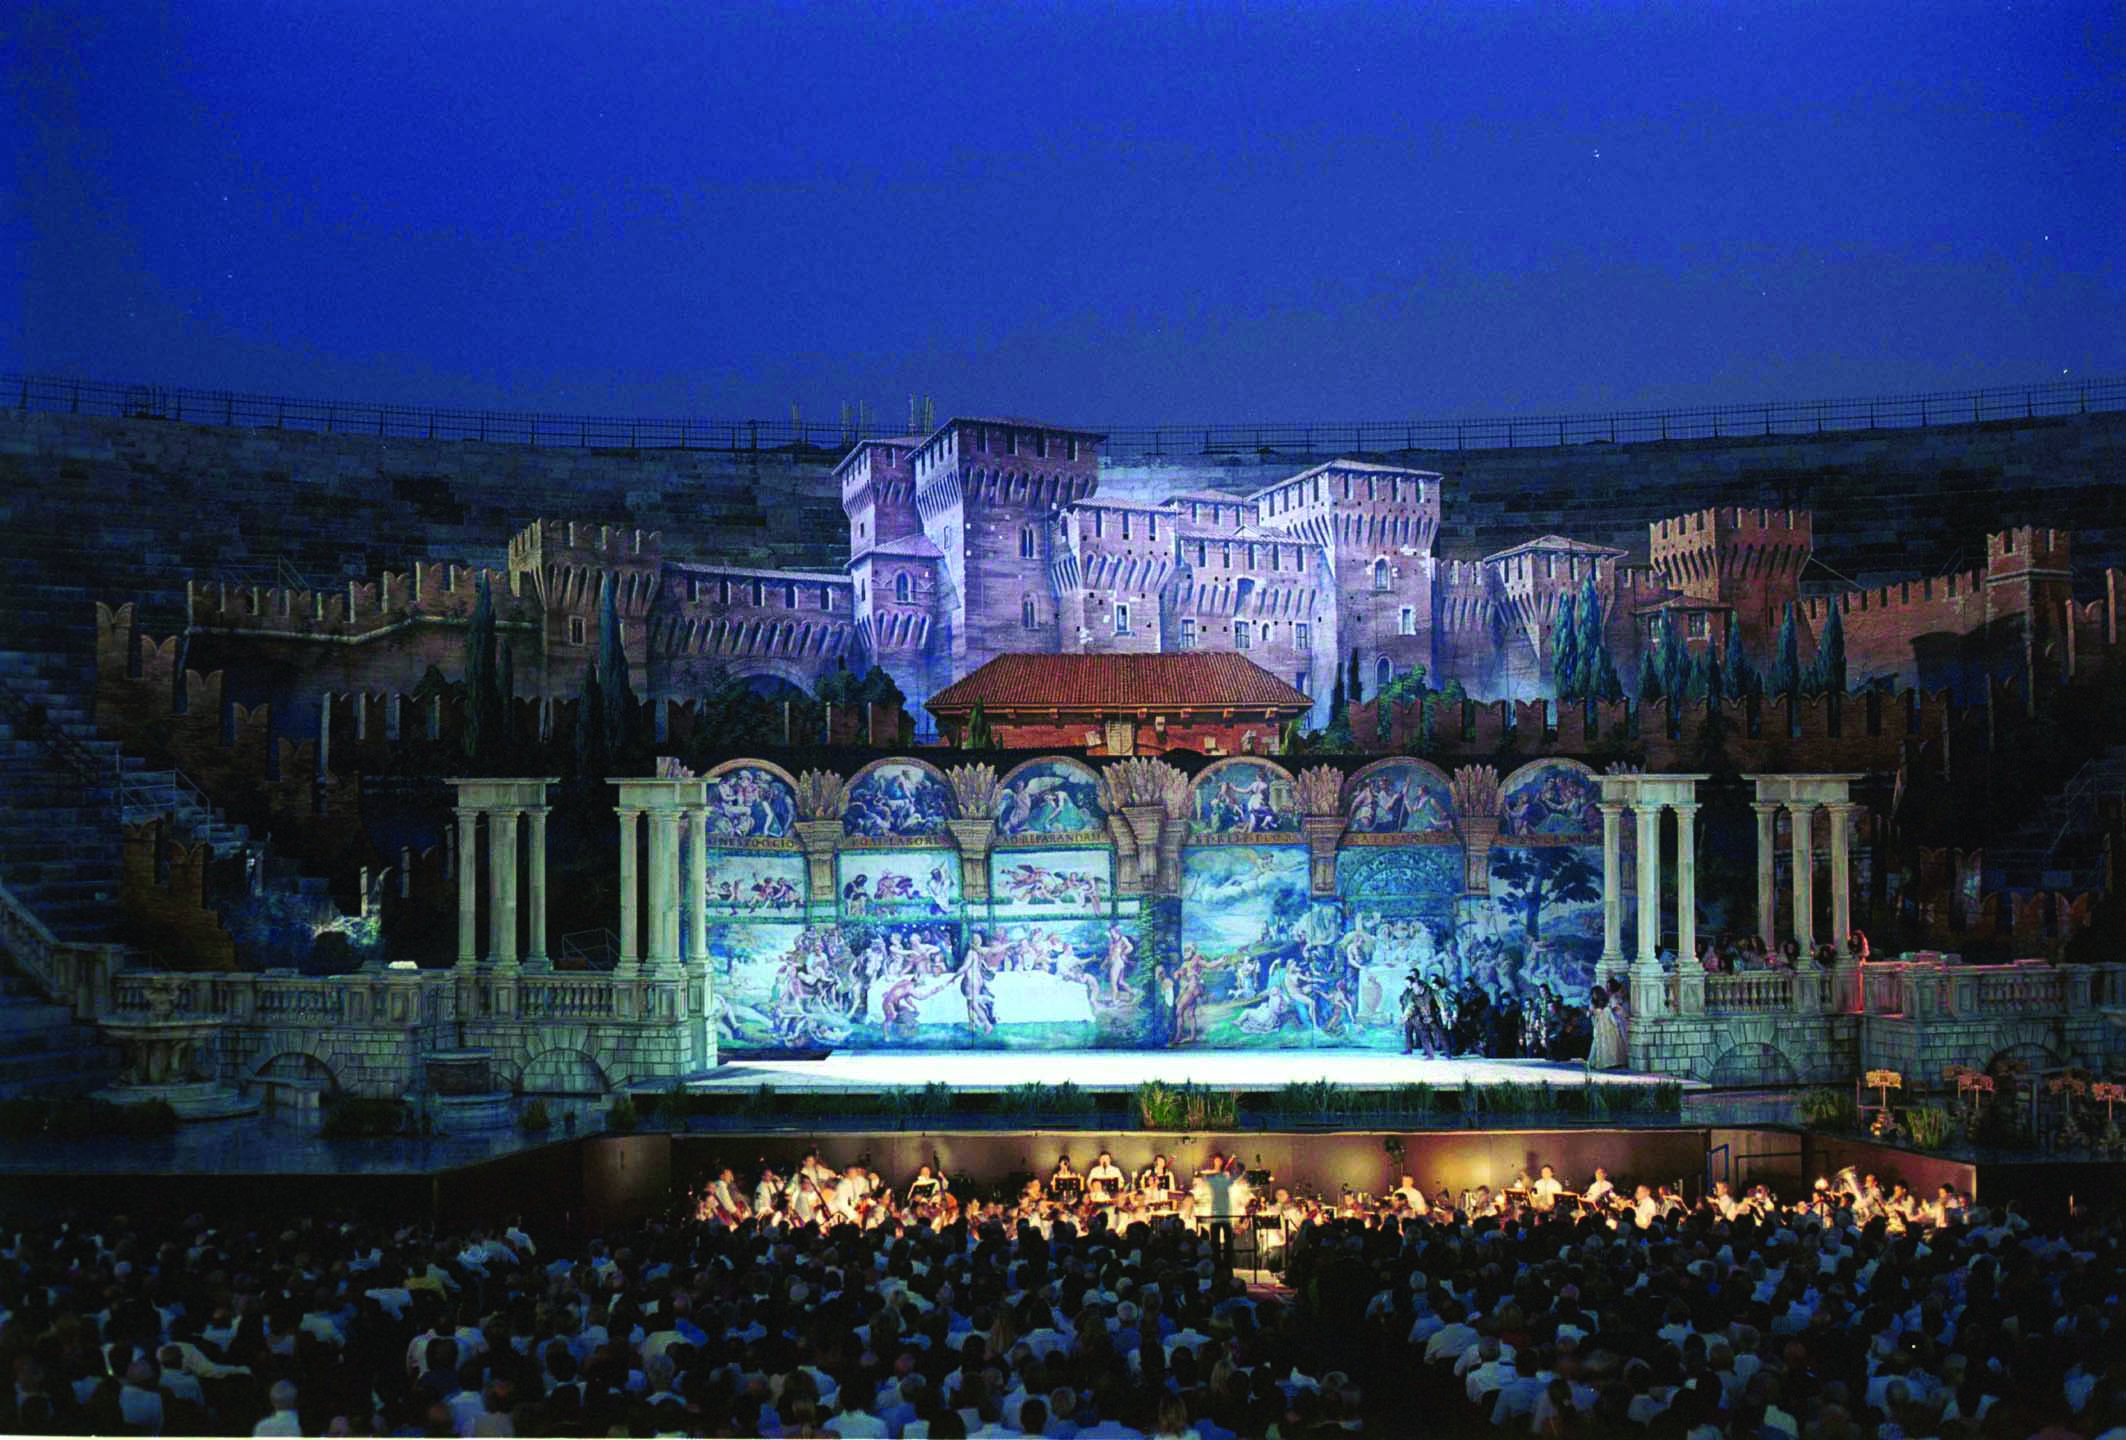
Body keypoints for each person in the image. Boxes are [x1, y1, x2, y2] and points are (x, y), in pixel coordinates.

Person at [1588, 985, 1627, 1071]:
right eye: (1592, 994)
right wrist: (1592, 1013)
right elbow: (1590, 1014)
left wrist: (1616, 1021)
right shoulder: (1593, 1004)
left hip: (1609, 1026)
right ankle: (1601, 1062)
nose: (1593, 996)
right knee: (1600, 1043)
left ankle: (1613, 1062)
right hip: (1600, 1027)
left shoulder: (1607, 1002)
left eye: (1595, 993)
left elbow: (1615, 1012)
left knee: (1611, 1044)